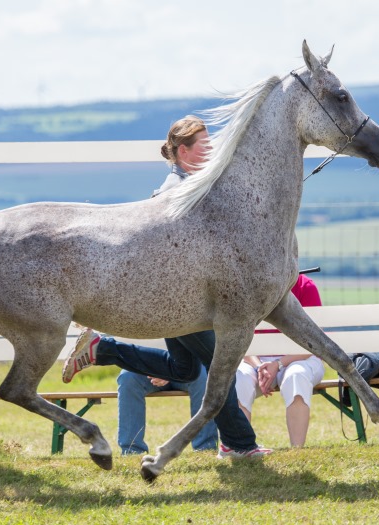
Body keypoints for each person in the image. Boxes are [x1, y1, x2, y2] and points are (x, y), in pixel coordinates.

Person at [63, 116, 270, 459]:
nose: (213, 151)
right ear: (184, 153)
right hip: (182, 300)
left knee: (184, 370)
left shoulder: (193, 186)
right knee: (221, 364)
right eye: (205, 146)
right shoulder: (177, 193)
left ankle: (103, 350)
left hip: (182, 299)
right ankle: (239, 444)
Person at [235, 272, 325, 447]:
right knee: (240, 377)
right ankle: (241, 448)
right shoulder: (247, 287)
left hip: (300, 358)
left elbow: (313, 343)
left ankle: (297, 449)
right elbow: (238, 339)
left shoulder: (305, 286)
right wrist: (259, 367)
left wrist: (278, 364)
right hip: (256, 361)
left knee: (296, 375)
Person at [116, 369, 218, 455]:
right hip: (149, 369)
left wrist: (169, 370)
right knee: (127, 377)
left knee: (202, 374)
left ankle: (206, 448)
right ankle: (132, 451)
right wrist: (159, 369)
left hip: (187, 367)